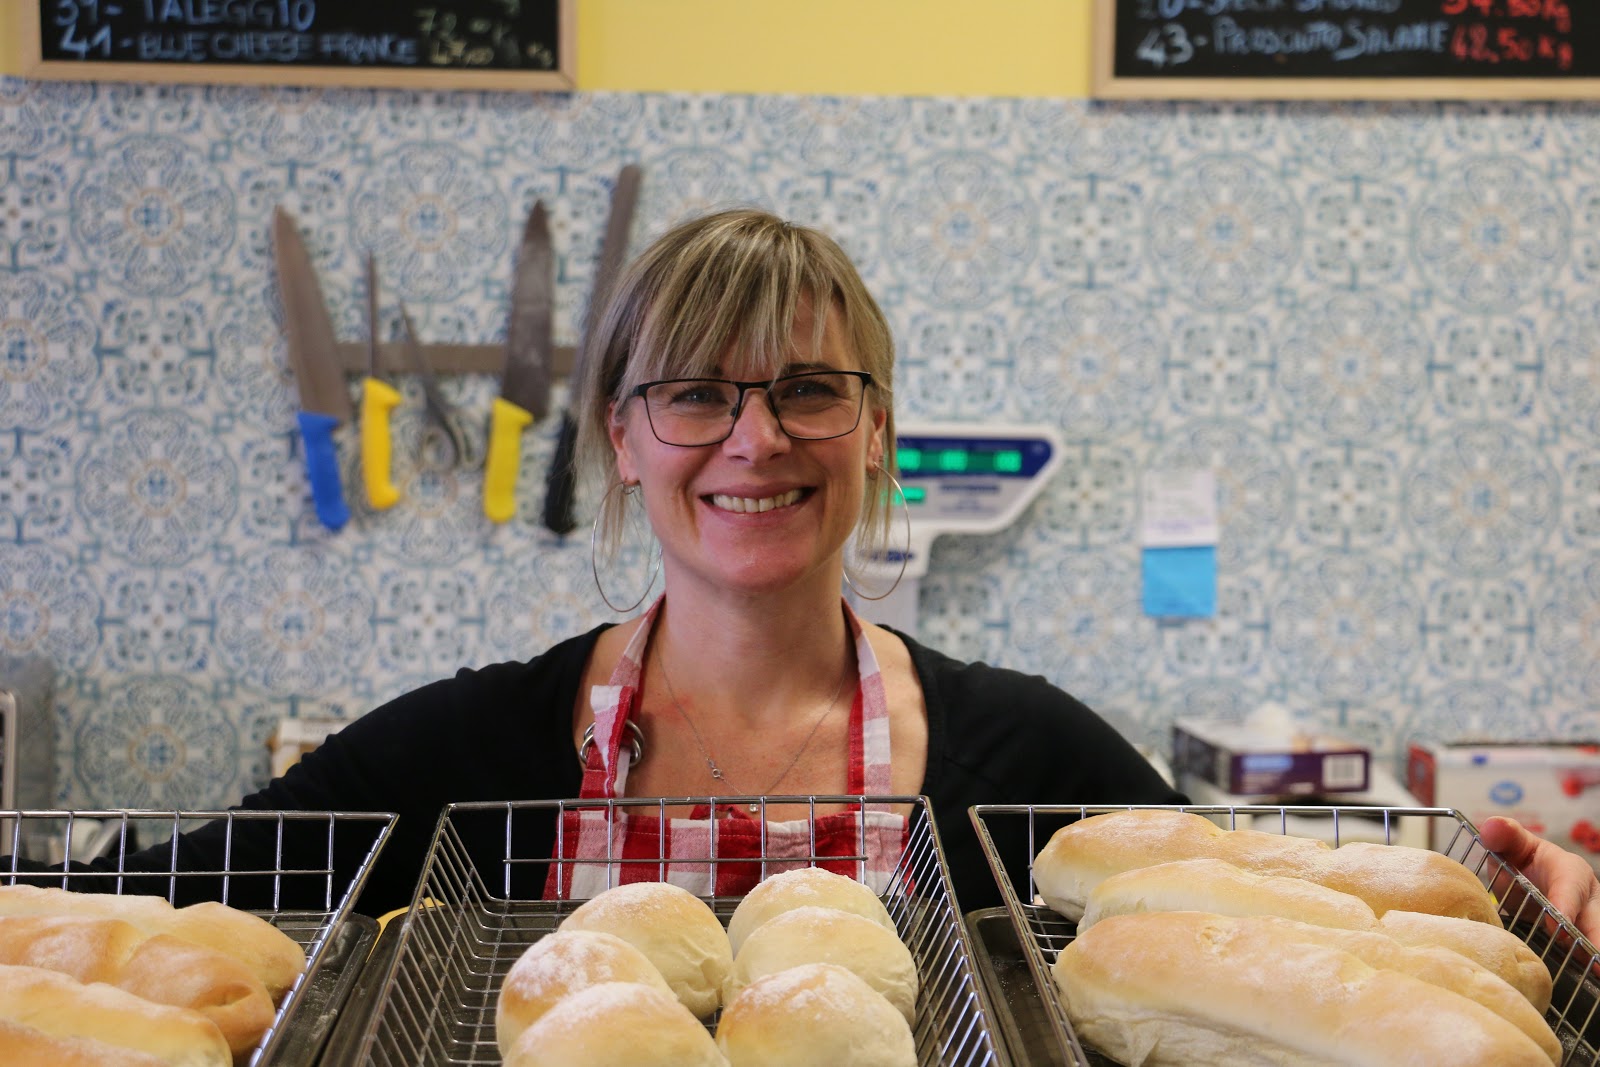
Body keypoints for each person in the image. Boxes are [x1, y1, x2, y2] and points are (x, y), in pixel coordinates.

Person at [11, 209, 1600, 941]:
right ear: (623, 437)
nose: (755, 439)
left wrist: (1520, 916)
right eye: (697, 393)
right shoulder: (474, 749)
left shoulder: (1022, 755)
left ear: (874, 430)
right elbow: (159, 895)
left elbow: (1261, 920)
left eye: (809, 391)